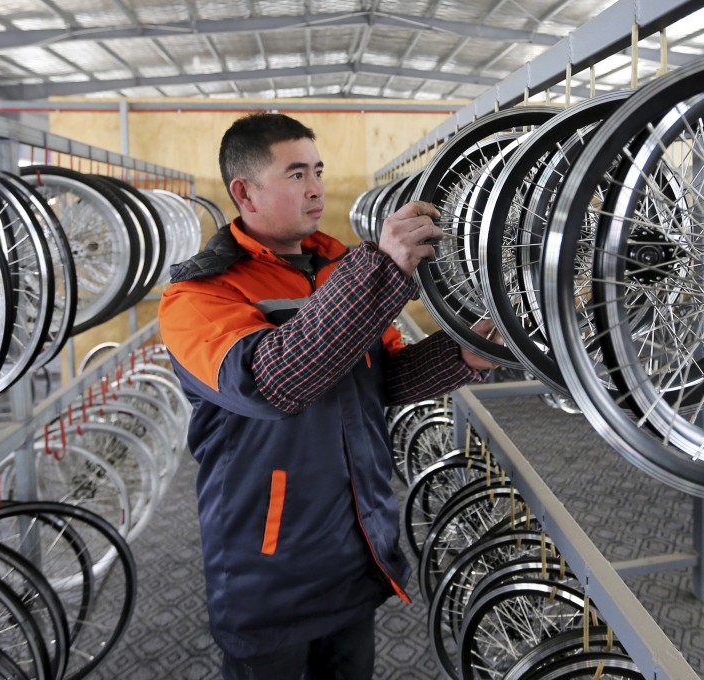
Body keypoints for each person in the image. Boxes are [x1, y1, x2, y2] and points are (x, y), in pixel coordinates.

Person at [157, 111, 496, 680]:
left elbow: (382, 377)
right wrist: (380, 270)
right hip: (268, 571)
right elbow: (273, 382)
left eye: (317, 169)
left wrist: (463, 354)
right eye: (295, 174)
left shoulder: (337, 268)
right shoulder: (198, 296)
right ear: (245, 192)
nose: (316, 187)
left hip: (353, 550)